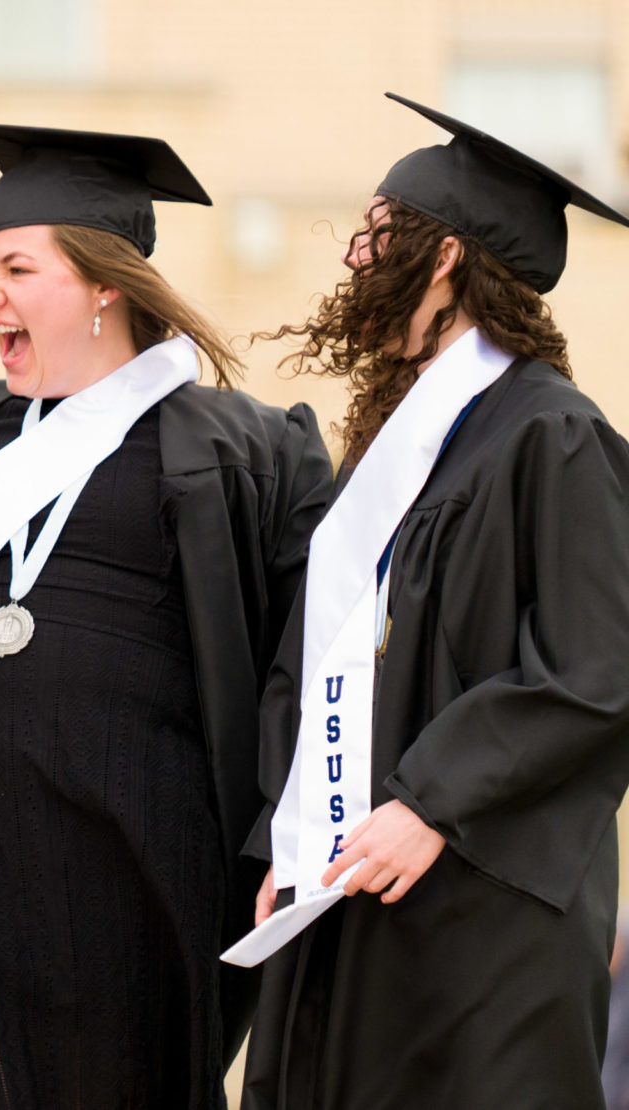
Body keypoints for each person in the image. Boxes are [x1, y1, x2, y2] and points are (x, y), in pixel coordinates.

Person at [0, 123, 333, 1110]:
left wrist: (293, 838)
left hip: (128, 869)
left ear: (103, 283)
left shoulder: (242, 451)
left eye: (14, 267)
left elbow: (315, 648)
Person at [238, 94, 629, 1109]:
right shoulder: (398, 453)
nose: (356, 259)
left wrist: (432, 801)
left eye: (377, 234)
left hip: (481, 922)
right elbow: (318, 654)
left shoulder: (552, 436)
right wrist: (291, 833)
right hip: (360, 897)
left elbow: (599, 667)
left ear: (444, 256)